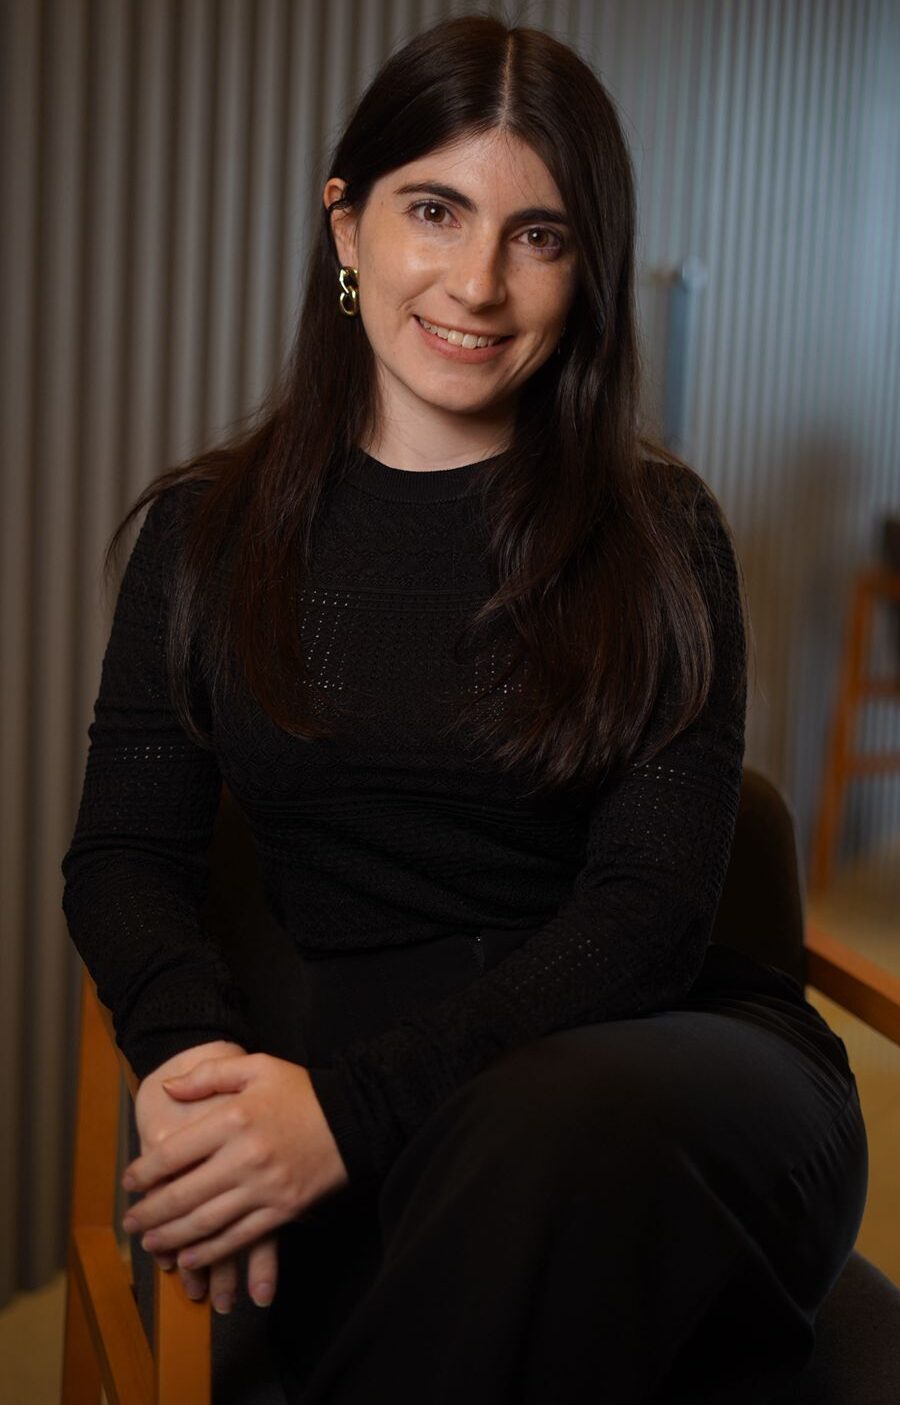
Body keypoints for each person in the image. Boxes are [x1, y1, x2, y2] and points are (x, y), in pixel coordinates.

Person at [61, 14, 868, 1403]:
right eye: (435, 210)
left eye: (538, 235)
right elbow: (126, 853)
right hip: (395, 1102)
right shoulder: (208, 535)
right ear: (348, 225)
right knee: (483, 1219)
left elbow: (651, 918)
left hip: (672, 1071)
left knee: (549, 1136)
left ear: (587, 268)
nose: (479, 284)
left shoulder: (660, 533)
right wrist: (192, 1062)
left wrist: (344, 1112)